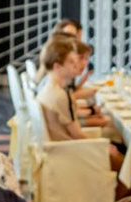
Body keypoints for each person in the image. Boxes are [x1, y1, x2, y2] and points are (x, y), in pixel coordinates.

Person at [36, 34, 122, 172]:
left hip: (63, 149)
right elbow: (76, 135)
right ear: (57, 66)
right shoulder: (59, 95)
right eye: (71, 62)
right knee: (125, 166)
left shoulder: (49, 88)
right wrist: (102, 146)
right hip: (69, 153)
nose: (76, 65)